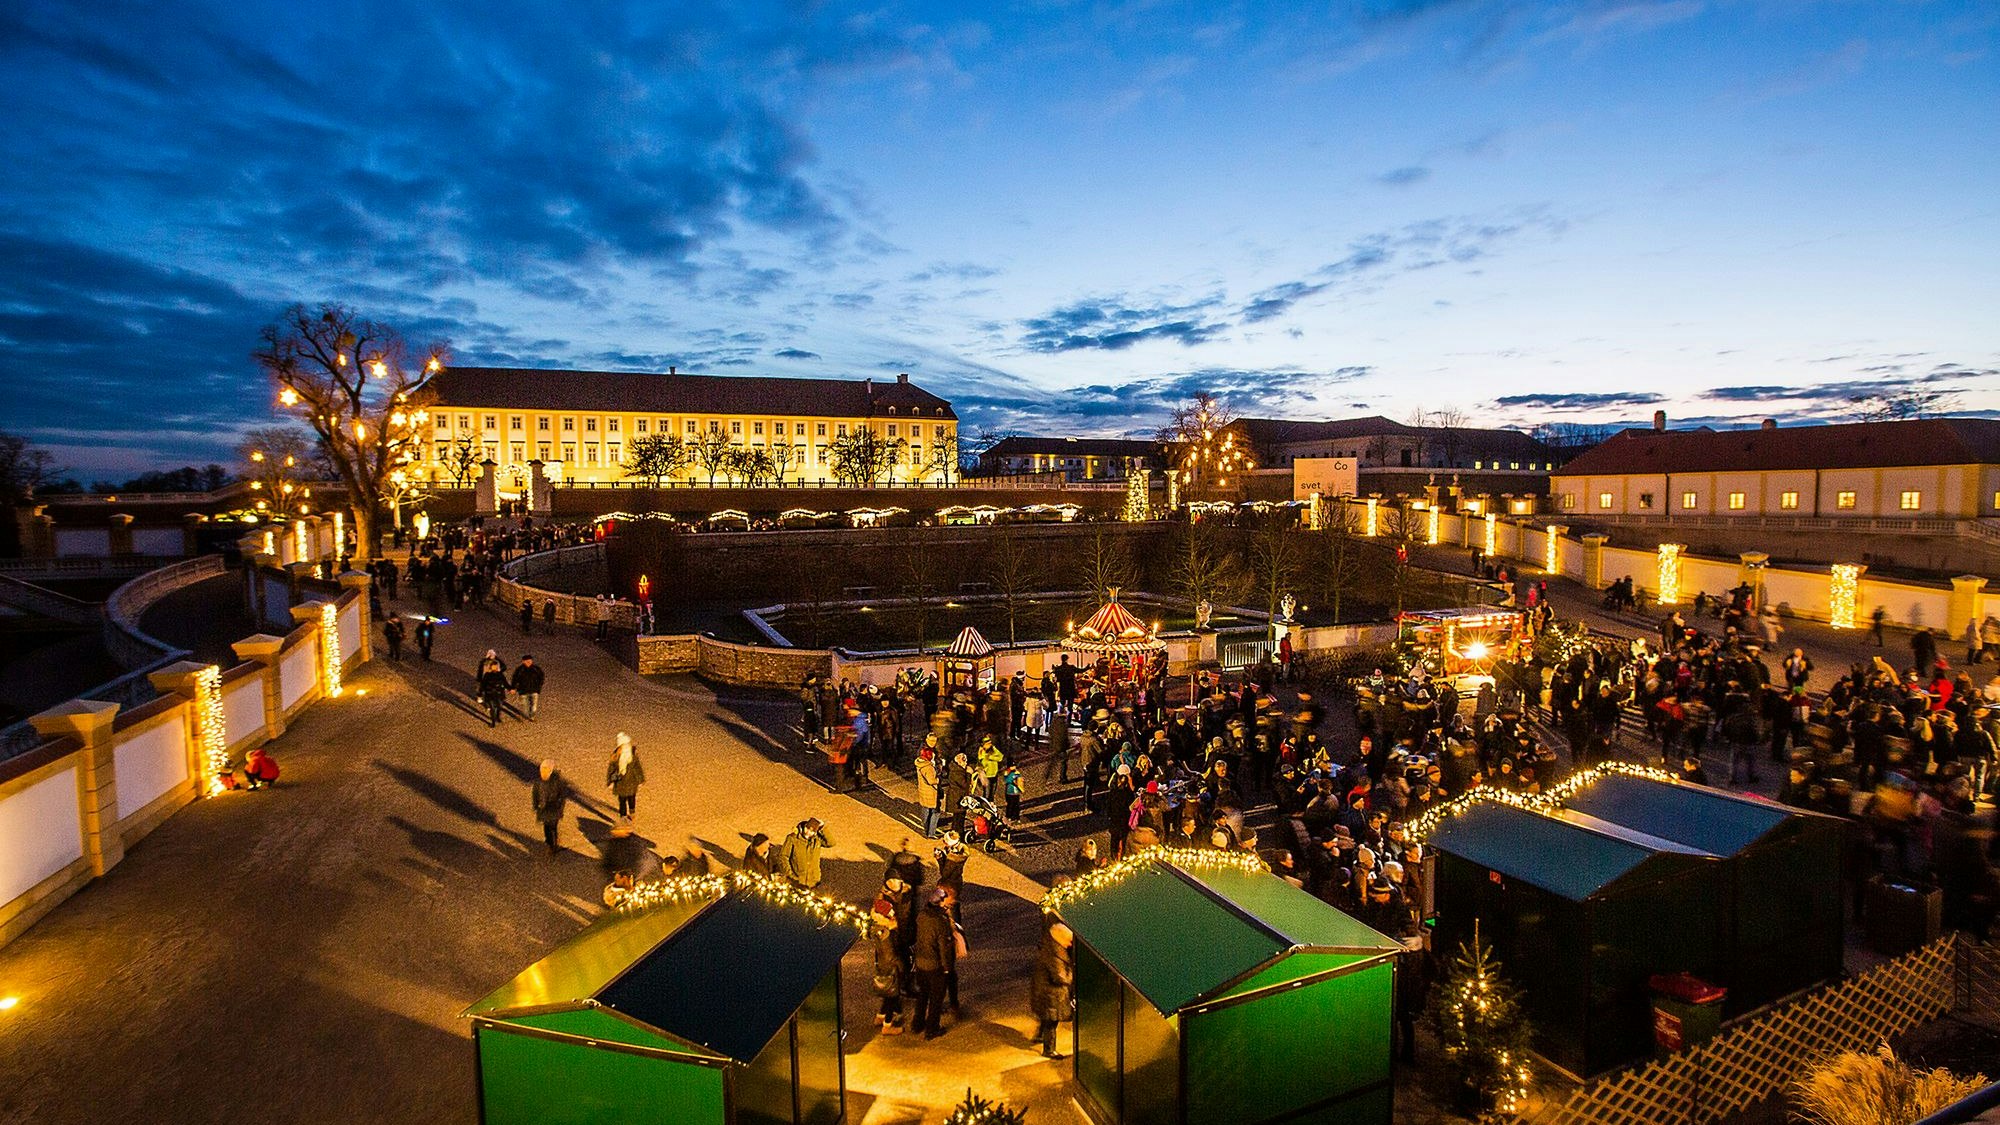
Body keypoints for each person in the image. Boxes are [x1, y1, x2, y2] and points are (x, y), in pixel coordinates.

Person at [911, 885, 957, 1039]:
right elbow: (943, 948)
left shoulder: (922, 915)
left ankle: (917, 1024)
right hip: (934, 965)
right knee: (936, 999)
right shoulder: (940, 921)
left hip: (920, 963)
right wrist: (947, 968)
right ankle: (932, 1029)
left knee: (923, 995)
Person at [1030, 916, 1076, 1059]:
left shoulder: (1049, 947)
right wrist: (1072, 975)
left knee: (1046, 1018)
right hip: (1050, 994)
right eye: (1068, 941)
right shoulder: (1055, 955)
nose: (1069, 944)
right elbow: (1060, 977)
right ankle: (1049, 1050)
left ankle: (1039, 1035)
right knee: (1051, 1022)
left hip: (1044, 992)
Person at [871, 882, 909, 1035]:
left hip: (882, 964)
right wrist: (901, 965)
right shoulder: (886, 932)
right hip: (889, 966)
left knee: (888, 993)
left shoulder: (878, 927)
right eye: (891, 913)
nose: (893, 915)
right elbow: (890, 954)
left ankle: (880, 1016)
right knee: (891, 995)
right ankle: (887, 1025)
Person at [778, 817, 831, 890]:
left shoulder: (817, 840)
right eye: (807, 828)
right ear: (804, 826)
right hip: (797, 882)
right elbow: (783, 857)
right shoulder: (792, 838)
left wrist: (822, 828)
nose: (808, 832)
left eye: (812, 831)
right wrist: (791, 875)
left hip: (814, 883)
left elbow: (831, 843)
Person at [531, 759, 568, 853]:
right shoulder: (542, 781)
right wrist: (535, 805)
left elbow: (561, 795)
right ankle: (551, 844)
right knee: (549, 827)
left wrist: (536, 806)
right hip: (548, 808)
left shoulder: (552, 781)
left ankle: (552, 845)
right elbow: (535, 793)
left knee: (550, 827)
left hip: (550, 808)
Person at [607, 733, 645, 817]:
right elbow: (611, 770)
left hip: (631, 782)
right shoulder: (615, 757)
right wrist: (610, 781)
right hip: (621, 783)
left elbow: (638, 768)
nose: (627, 746)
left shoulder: (633, 756)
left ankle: (632, 811)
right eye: (624, 745)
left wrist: (640, 780)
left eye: (628, 744)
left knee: (631, 799)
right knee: (622, 801)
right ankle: (623, 816)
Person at [915, 742, 943, 838]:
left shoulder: (920, 764)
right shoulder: (928, 767)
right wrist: (938, 779)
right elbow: (932, 780)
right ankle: (931, 832)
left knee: (926, 810)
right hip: (931, 792)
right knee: (936, 812)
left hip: (923, 790)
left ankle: (926, 829)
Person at [477, 652, 510, 727]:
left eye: (496, 666)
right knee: (492, 708)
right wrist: (480, 693)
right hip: (490, 694)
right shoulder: (487, 675)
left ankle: (498, 717)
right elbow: (483, 685)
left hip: (499, 693)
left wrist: (510, 688)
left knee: (499, 706)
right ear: (491, 667)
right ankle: (493, 722)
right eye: (493, 666)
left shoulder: (500, 674)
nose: (495, 668)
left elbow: (505, 682)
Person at [510, 655, 544, 720]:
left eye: (530, 660)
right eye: (527, 660)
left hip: (534, 690)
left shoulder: (536, 669)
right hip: (523, 691)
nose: (529, 662)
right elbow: (514, 679)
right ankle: (528, 714)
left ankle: (532, 716)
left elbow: (541, 678)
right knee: (525, 706)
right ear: (523, 661)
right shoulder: (519, 670)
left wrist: (538, 687)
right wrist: (513, 688)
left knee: (534, 705)